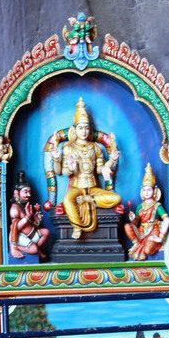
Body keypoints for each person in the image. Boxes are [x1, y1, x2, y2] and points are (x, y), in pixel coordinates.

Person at [51, 98, 122, 239]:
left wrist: (112, 161)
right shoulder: (68, 148)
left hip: (92, 188)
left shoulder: (96, 147)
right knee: (66, 200)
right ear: (74, 129)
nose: (84, 131)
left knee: (116, 198)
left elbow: (100, 170)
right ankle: (77, 227)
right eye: (80, 127)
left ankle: (88, 199)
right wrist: (60, 161)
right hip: (76, 188)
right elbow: (60, 172)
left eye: (87, 127)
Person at [124, 163, 169, 284]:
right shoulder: (140, 206)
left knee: (148, 249)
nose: (146, 192)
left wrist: (160, 237)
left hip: (153, 231)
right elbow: (137, 222)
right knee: (127, 227)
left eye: (149, 189)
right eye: (144, 190)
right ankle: (136, 245)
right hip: (141, 231)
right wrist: (133, 218)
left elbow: (166, 219)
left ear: (155, 191)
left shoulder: (157, 206)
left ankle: (144, 247)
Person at [9, 170, 50, 260]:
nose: (29, 195)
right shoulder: (14, 209)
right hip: (20, 237)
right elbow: (15, 228)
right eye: (25, 192)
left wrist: (36, 220)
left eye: (29, 192)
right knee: (33, 248)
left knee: (46, 232)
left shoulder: (24, 206)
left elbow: (32, 226)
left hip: (30, 235)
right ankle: (19, 248)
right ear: (17, 193)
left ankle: (36, 251)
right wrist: (27, 217)